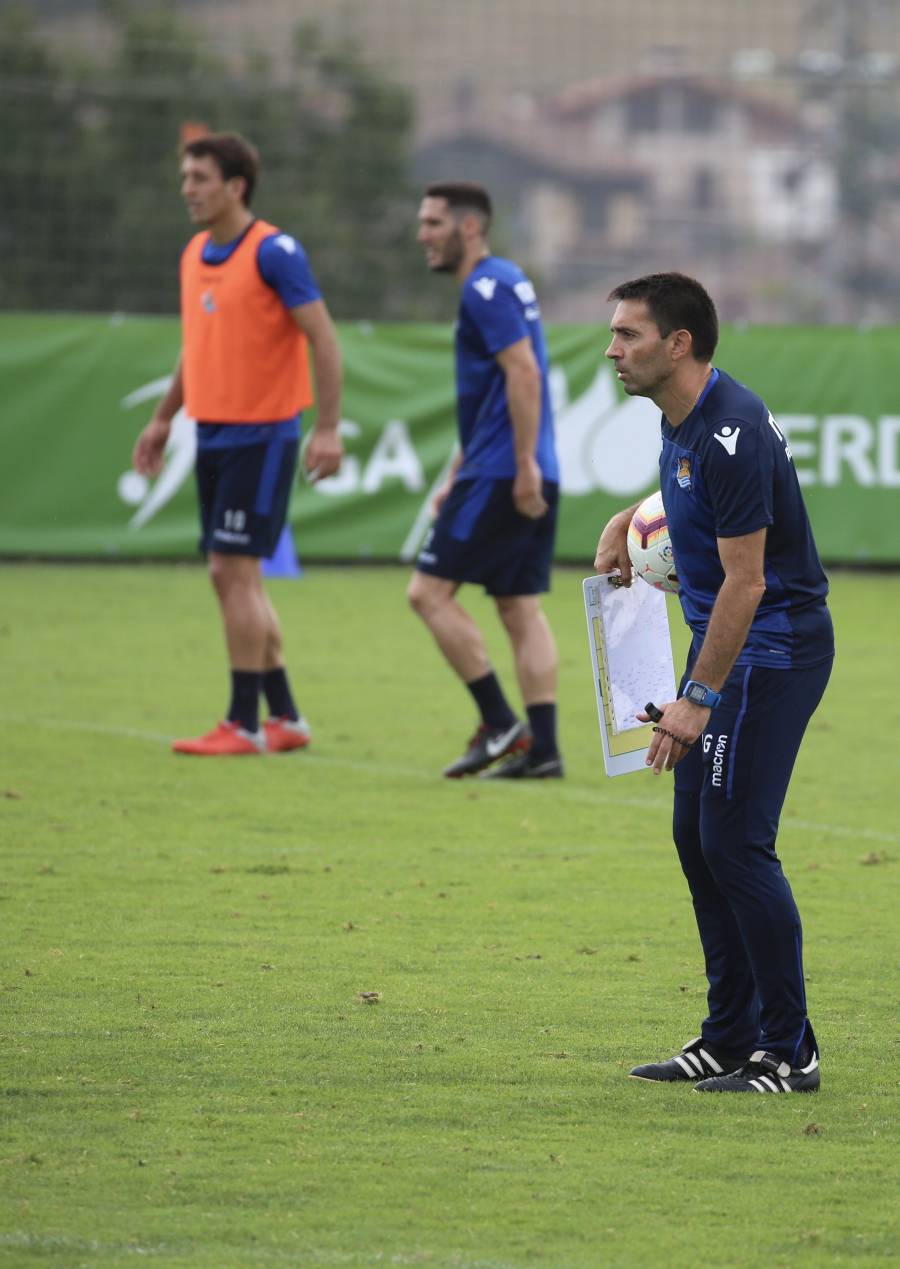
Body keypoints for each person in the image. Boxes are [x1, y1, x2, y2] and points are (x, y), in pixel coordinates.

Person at [595, 272, 834, 1093]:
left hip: (770, 652)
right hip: (730, 646)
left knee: (735, 841)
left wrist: (697, 699)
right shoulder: (684, 418)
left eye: (628, 334)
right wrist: (627, 519)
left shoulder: (728, 427)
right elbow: (693, 495)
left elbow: (748, 581)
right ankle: (730, 1036)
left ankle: (789, 1049)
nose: (612, 349)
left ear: (679, 344)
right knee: (698, 842)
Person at [132, 131, 343, 756]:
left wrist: (327, 427)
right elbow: (194, 349)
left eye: (199, 179)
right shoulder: (195, 252)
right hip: (214, 433)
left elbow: (324, 340)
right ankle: (283, 718)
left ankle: (242, 723)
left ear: (235, 187)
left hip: (263, 435)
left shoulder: (274, 252)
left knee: (232, 570)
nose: (187, 191)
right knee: (234, 579)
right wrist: (163, 417)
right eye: (185, 179)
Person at [409, 181, 563, 779]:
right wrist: (458, 471)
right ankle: (544, 750)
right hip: (514, 464)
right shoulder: (505, 278)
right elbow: (497, 396)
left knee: (427, 593)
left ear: (469, 227)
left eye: (432, 223)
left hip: (506, 469)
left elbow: (523, 374)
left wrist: (520, 466)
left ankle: (501, 723)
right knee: (518, 605)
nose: (423, 234)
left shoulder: (484, 286)